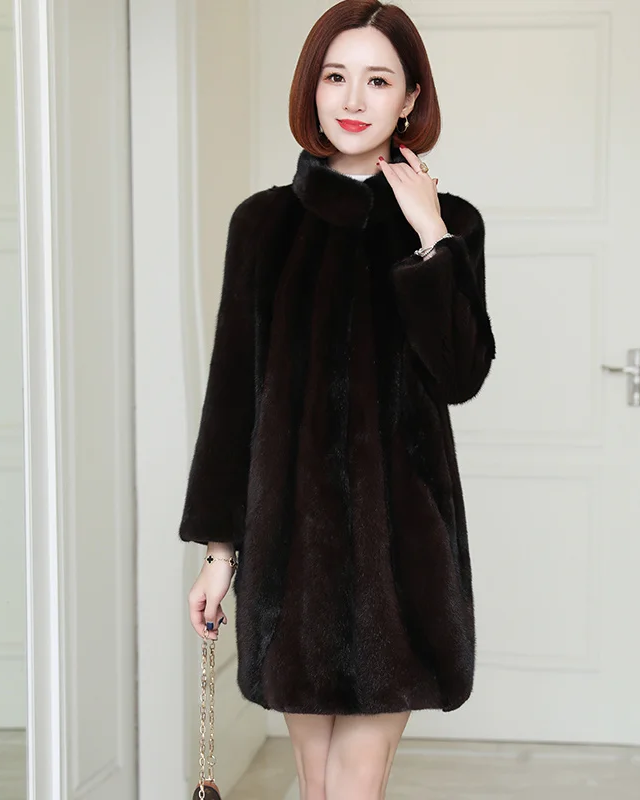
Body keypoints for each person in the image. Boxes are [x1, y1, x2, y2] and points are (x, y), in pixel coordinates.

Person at [178, 1, 496, 798]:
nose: (353, 100)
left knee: (356, 785)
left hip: (402, 556)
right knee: (316, 784)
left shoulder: (451, 225)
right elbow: (232, 394)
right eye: (335, 76)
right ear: (312, 89)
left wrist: (431, 239)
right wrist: (219, 554)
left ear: (411, 98)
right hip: (290, 551)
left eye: (378, 80)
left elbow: (461, 374)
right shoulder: (262, 224)